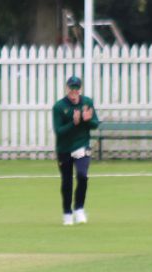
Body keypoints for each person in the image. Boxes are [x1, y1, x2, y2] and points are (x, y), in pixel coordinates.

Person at [52, 75, 100, 226]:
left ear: (80, 89)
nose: (74, 91)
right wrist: (74, 122)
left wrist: (87, 120)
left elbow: (95, 124)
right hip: (64, 148)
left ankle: (79, 208)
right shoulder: (59, 107)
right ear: (66, 88)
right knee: (67, 181)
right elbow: (59, 131)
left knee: (82, 176)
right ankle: (67, 213)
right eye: (71, 88)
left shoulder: (87, 102)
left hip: (82, 145)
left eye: (76, 88)